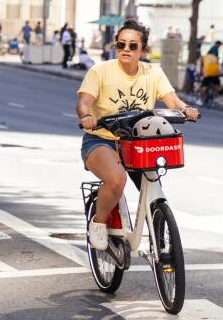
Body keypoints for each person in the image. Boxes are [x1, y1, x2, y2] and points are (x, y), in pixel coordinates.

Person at [77, 20, 198, 251]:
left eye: (133, 45)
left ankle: (159, 238)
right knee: (117, 179)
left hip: (138, 144)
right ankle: (99, 223)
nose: (126, 49)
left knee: (154, 184)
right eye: (121, 44)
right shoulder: (99, 71)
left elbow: (172, 100)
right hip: (101, 140)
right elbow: (84, 102)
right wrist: (86, 117)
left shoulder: (153, 72)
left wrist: (185, 109)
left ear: (143, 49)